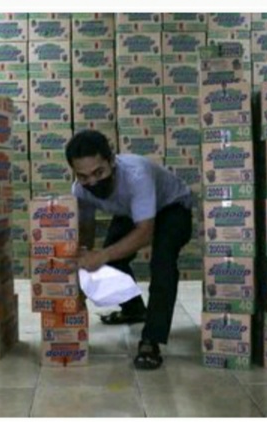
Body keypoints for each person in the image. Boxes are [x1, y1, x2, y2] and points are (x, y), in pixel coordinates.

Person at [65, 130, 194, 370]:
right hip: (131, 211)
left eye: (99, 172)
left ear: (112, 160)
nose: (92, 182)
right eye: (83, 176)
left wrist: (102, 255)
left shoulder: (136, 174)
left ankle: (151, 340)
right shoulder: (80, 191)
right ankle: (134, 310)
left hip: (172, 208)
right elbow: (86, 230)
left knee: (162, 263)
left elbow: (145, 232)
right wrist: (82, 266)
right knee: (111, 260)